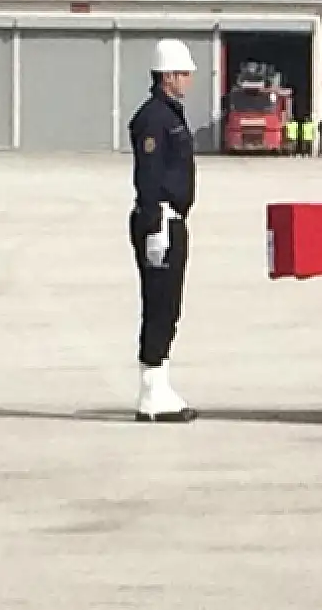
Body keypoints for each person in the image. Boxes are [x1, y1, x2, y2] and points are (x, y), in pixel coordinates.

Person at [127, 38, 199, 423]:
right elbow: (149, 175)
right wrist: (155, 226)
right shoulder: (155, 118)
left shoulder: (170, 114)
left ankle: (159, 384)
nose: (189, 80)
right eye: (185, 73)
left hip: (171, 219)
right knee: (159, 305)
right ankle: (151, 393)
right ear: (168, 75)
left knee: (168, 306)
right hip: (161, 220)